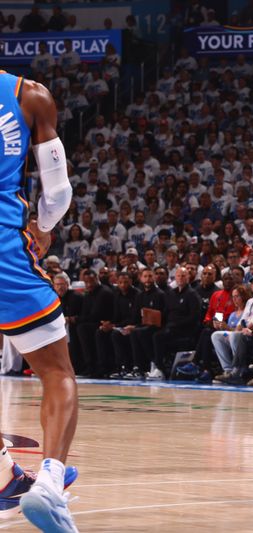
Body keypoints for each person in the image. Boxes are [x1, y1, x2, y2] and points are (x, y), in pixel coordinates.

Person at [0, 73, 80, 529]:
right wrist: (43, 226)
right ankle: (48, 485)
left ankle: (4, 477)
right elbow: (58, 190)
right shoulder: (28, 95)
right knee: (55, 370)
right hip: (4, 250)